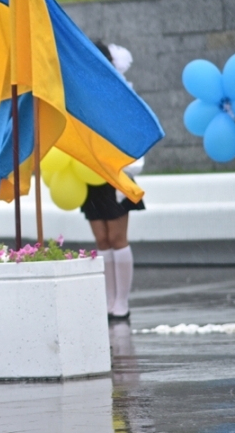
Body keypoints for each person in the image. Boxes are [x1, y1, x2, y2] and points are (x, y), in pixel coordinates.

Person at [81, 41, 144, 322]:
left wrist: (126, 170)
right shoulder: (82, 96)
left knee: (117, 238)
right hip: (88, 173)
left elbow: (133, 134)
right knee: (101, 239)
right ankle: (108, 300)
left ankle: (122, 301)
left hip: (116, 172)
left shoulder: (122, 94)